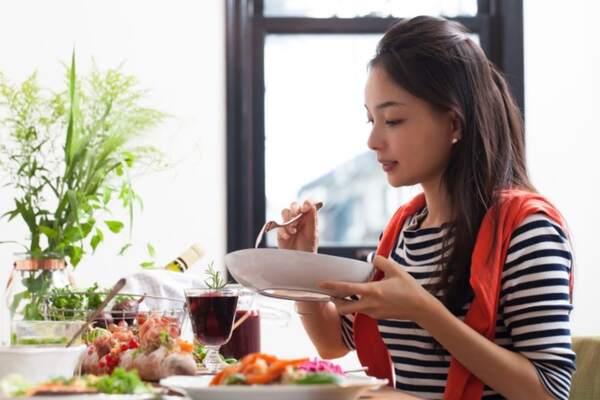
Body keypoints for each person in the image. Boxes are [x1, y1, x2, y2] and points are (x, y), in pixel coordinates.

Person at [277, 16, 575, 400]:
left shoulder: (527, 228)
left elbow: (550, 392)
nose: (372, 140)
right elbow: (336, 342)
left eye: (393, 119)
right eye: (371, 120)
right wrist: (303, 264)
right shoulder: (403, 230)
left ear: (454, 122)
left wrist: (425, 311)